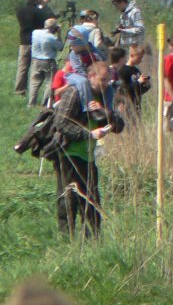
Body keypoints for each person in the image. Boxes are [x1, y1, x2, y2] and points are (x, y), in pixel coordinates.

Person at [53, 60, 123, 237]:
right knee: (68, 198)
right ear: (91, 76)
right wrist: (89, 134)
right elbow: (60, 123)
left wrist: (106, 113)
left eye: (108, 80)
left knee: (92, 200)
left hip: (88, 155)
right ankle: (66, 239)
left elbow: (120, 126)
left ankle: (93, 241)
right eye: (103, 79)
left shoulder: (105, 95)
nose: (106, 83)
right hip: (68, 152)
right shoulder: (75, 92)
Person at [15, 0, 45, 95]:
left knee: (22, 67)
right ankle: (32, 92)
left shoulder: (20, 10)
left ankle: (19, 90)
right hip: (35, 42)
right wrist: (42, 7)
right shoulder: (38, 11)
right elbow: (43, 24)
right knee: (34, 68)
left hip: (23, 41)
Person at [27, 17, 62, 107]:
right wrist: (59, 34)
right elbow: (60, 47)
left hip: (35, 60)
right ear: (54, 27)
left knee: (34, 82)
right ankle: (45, 103)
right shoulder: (52, 38)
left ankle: (31, 103)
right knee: (50, 83)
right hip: (48, 61)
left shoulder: (35, 33)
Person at [116, 43, 150, 121]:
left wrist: (146, 85)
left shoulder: (136, 70)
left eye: (141, 58)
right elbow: (123, 90)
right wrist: (138, 82)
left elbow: (139, 91)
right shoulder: (123, 71)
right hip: (127, 106)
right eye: (138, 58)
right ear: (131, 56)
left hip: (136, 105)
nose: (140, 60)